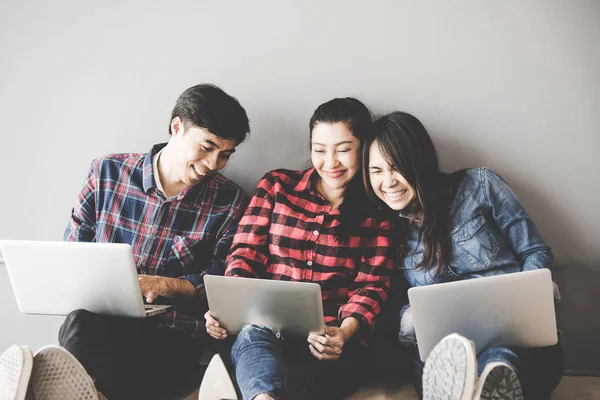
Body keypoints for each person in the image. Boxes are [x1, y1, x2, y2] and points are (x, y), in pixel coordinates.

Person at [55, 84, 250, 399]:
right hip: (102, 325)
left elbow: (226, 280)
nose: (214, 163)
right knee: (79, 326)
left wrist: (168, 286)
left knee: (137, 367)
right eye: (207, 147)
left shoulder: (230, 201)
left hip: (171, 333)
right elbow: (73, 255)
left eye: (225, 154)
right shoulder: (106, 173)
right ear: (177, 127)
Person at [363, 111, 564, 399]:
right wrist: (416, 321)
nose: (388, 181)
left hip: (517, 339)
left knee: (500, 356)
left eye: (396, 167)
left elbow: (534, 250)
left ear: (418, 161)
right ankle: (478, 384)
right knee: (449, 362)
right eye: (376, 171)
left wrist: (532, 295)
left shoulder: (479, 185)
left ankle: (487, 380)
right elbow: (395, 312)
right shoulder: (383, 233)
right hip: (444, 352)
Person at [204, 97, 395, 400]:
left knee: (313, 377)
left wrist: (344, 332)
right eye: (319, 150)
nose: (329, 163)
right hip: (265, 325)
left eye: (343, 150)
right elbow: (244, 253)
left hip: (331, 336)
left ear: (363, 148)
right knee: (255, 338)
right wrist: (230, 310)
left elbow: (372, 286)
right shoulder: (277, 186)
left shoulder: (377, 212)